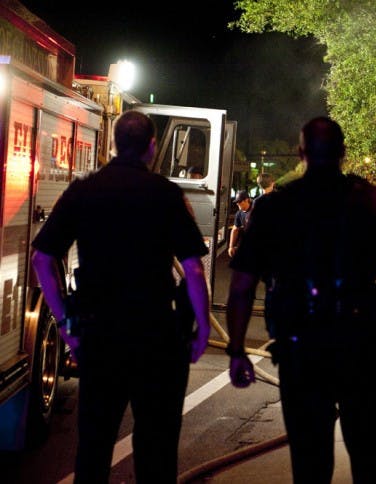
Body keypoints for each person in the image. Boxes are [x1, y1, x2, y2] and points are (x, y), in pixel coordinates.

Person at [226, 116, 376, 483]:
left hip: (301, 349)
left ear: (301, 153)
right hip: (362, 347)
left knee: (310, 464)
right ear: (343, 153)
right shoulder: (374, 202)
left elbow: (241, 287)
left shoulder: (274, 208)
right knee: (374, 462)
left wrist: (237, 349)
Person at [31, 110, 211, 484]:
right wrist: (203, 328)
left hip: (100, 338)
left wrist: (65, 324)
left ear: (113, 143)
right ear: (151, 146)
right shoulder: (167, 194)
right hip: (157, 339)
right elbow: (193, 270)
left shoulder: (82, 191)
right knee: (157, 451)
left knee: (94, 448)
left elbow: (42, 259)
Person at [228, 189, 252, 258]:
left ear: (246, 200)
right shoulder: (239, 214)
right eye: (236, 202)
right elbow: (235, 230)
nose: (237, 203)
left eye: (239, 201)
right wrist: (231, 247)